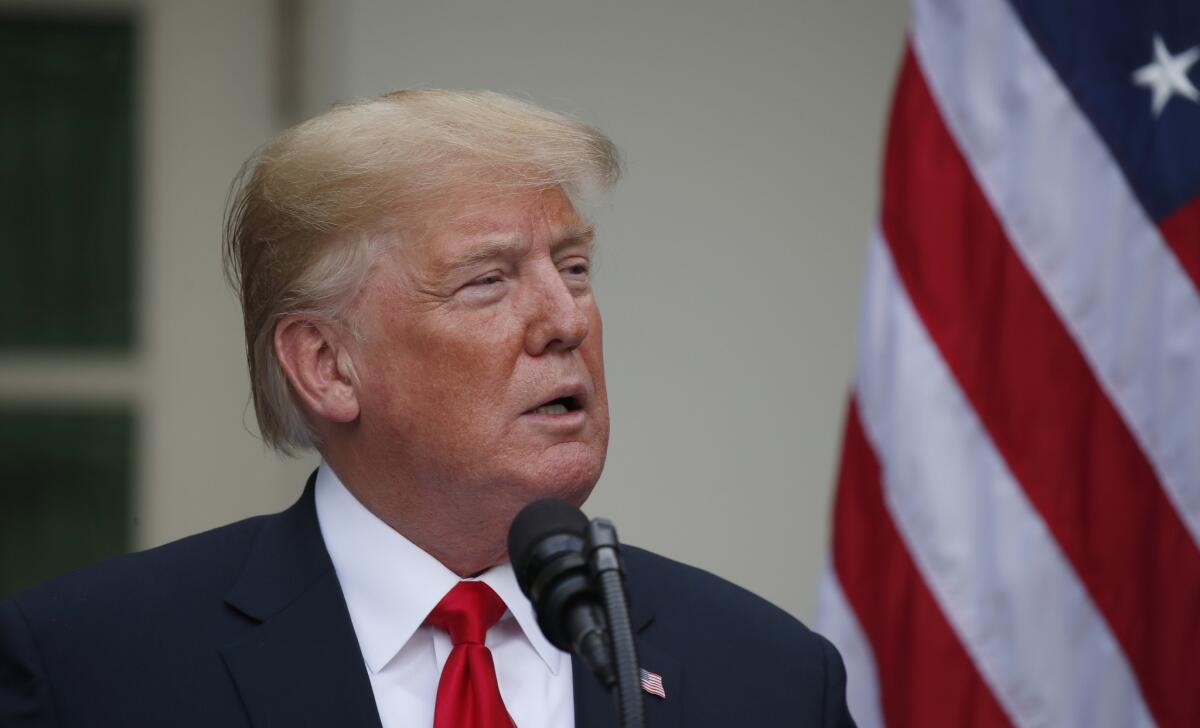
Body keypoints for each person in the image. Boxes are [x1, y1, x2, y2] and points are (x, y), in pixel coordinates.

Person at [0, 90, 855, 727]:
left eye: (576, 268)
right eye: (487, 280)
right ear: (328, 365)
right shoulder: (92, 670)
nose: (566, 320)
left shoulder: (770, 679)